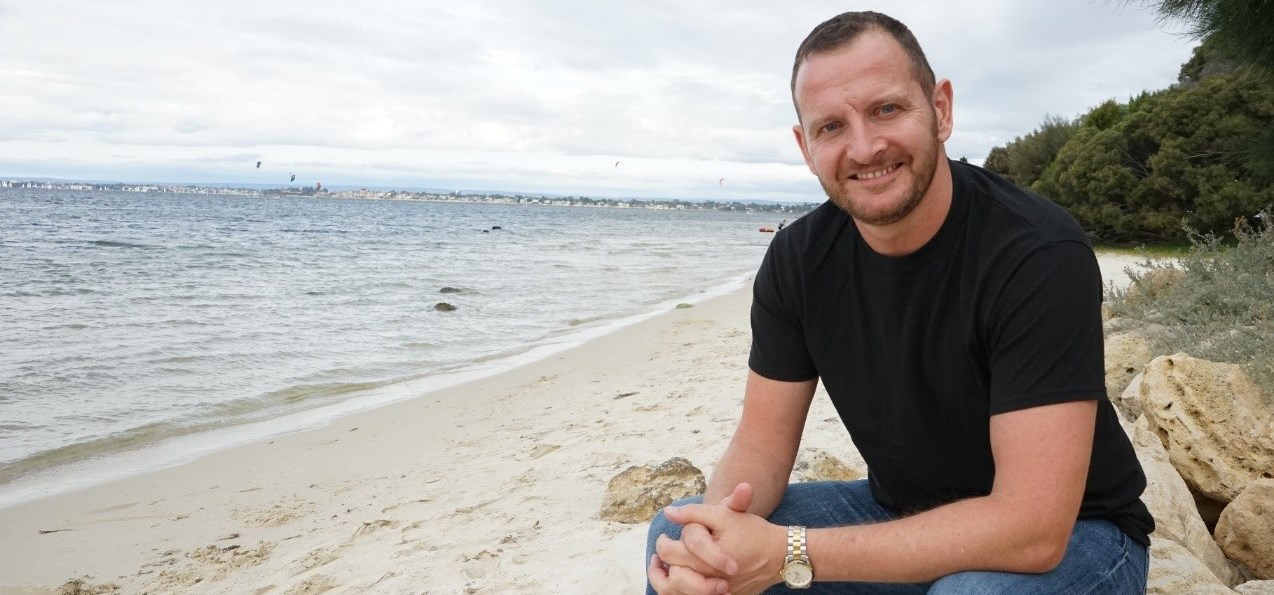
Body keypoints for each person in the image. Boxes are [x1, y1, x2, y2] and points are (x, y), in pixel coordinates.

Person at [645, 11, 1153, 595]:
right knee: (677, 537)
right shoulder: (798, 261)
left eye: (886, 109)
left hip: (1081, 535)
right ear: (806, 146)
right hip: (899, 510)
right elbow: (760, 444)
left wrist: (788, 553)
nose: (865, 147)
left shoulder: (1036, 254)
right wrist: (712, 537)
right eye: (831, 126)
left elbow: (1033, 530)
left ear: (941, 110)